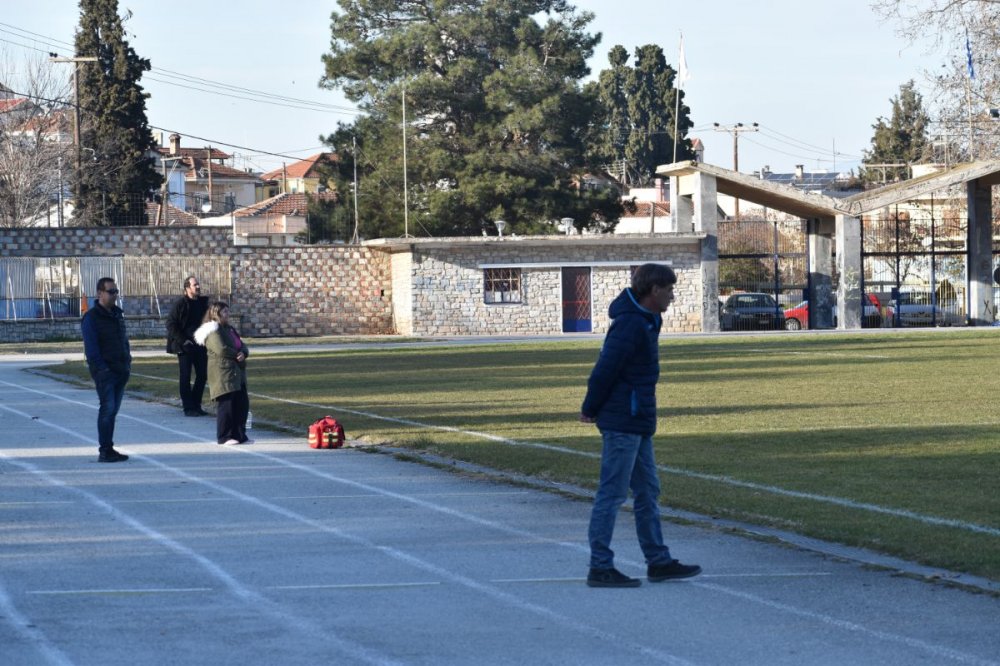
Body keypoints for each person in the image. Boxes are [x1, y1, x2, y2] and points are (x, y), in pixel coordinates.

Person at [581, 263, 702, 588]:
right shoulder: (631, 325)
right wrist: (590, 407)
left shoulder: (649, 320)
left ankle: (658, 562)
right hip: (623, 420)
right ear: (654, 291)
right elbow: (605, 368)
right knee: (612, 493)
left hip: (638, 420)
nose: (673, 297)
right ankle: (600, 566)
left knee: (648, 491)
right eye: (669, 290)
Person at [81, 277, 131, 463]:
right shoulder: (91, 317)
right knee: (107, 409)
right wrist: (102, 369)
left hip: (121, 369)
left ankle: (109, 447)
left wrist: (128, 361)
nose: (115, 295)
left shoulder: (117, 314)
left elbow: (123, 340)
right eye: (111, 291)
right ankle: (105, 450)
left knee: (113, 411)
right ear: (100, 293)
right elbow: (91, 349)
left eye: (116, 291)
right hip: (106, 372)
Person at [194, 301, 251, 445]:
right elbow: (221, 349)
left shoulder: (230, 329)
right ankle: (224, 436)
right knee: (227, 406)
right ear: (216, 314)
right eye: (225, 312)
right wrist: (237, 354)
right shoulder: (213, 330)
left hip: (237, 372)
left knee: (241, 404)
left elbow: (242, 344)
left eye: (228, 311)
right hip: (223, 373)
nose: (228, 314)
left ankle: (239, 434)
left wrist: (243, 352)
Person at [165, 276, 210, 416]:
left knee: (202, 375)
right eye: (194, 284)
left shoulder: (203, 304)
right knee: (185, 376)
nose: (198, 287)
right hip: (185, 345)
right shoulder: (181, 304)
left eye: (198, 284)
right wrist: (183, 340)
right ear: (187, 288)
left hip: (200, 344)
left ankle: (196, 405)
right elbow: (171, 324)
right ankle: (188, 407)